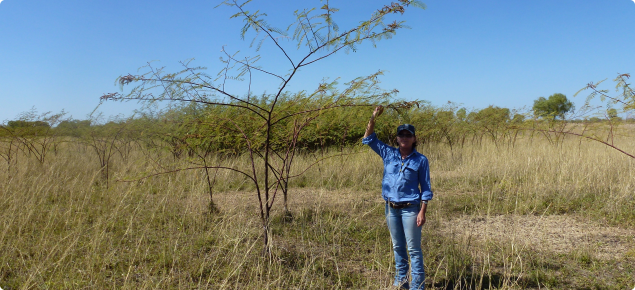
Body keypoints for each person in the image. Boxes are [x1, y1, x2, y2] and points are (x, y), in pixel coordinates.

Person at [362, 106, 433, 290]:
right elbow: (368, 138)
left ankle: (417, 286)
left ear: (414, 138)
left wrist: (422, 211)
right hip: (391, 208)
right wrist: (373, 116)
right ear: (397, 138)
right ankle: (401, 283)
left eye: (408, 135)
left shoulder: (420, 160)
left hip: (411, 208)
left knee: (413, 250)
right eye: (401, 135)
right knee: (397, 247)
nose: (404, 138)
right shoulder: (388, 153)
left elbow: (425, 188)